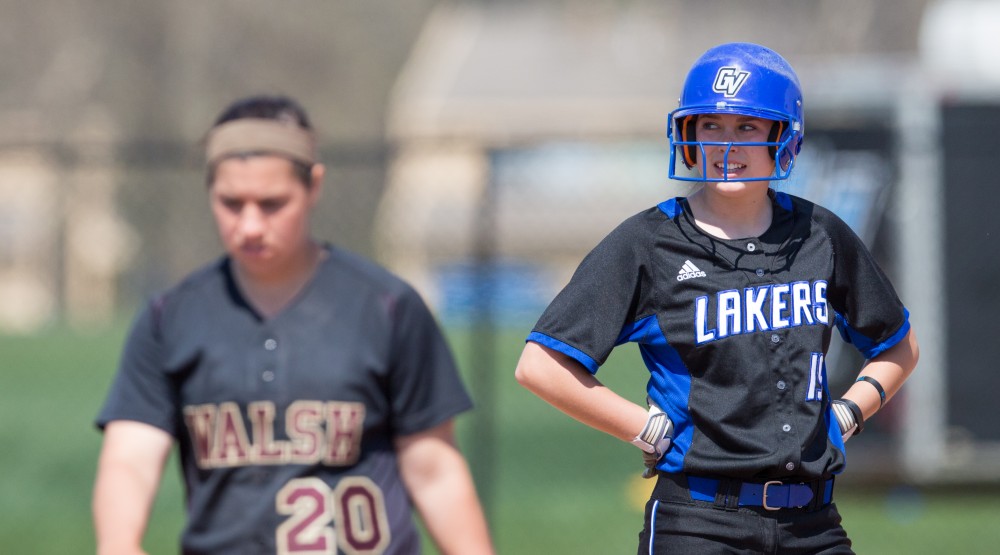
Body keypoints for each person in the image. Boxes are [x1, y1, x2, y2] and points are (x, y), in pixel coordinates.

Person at [515, 42, 919, 554]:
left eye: (747, 127)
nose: (726, 145)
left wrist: (849, 413)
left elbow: (897, 345)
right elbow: (540, 365)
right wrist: (645, 429)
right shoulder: (650, 242)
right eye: (711, 126)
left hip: (814, 524)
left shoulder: (821, 233)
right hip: (699, 522)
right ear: (687, 133)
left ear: (783, 136)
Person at [93, 95, 494, 555]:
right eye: (230, 203)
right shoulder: (171, 317)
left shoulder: (386, 306)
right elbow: (131, 458)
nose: (249, 225)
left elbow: (434, 469)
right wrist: (117, 543)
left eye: (271, 204)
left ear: (313, 186)